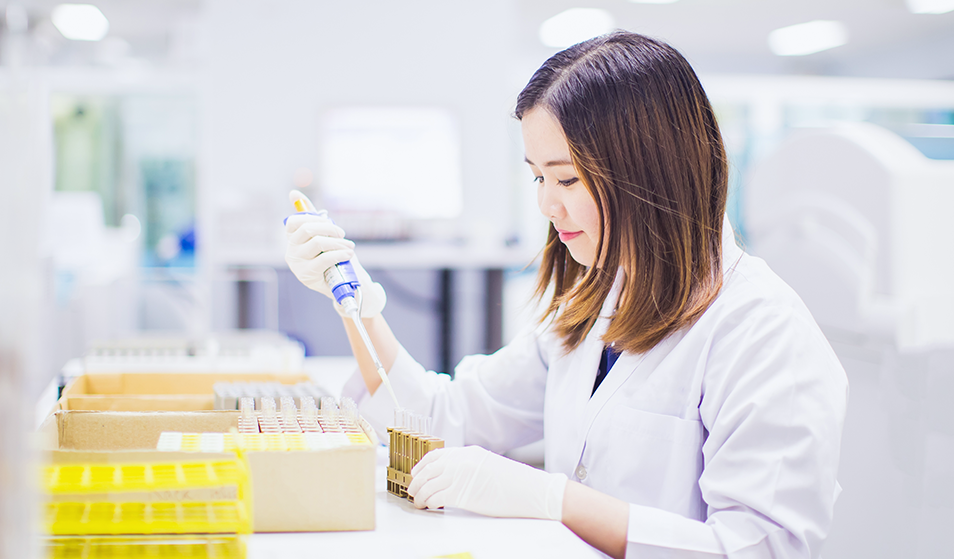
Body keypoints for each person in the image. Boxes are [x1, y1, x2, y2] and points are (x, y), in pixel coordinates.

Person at [284, 31, 847, 559]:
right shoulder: (597, 304)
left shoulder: (763, 332)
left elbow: (758, 547)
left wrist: (554, 501)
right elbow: (440, 416)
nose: (546, 206)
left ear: (650, 173)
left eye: (567, 179)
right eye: (537, 177)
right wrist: (353, 299)